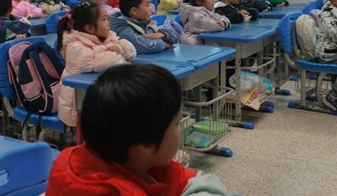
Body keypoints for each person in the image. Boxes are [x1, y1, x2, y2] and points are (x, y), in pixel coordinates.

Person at [46, 64, 231, 196]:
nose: (180, 129)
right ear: (146, 145)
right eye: (176, 123)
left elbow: (176, 178)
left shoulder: (120, 157)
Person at [57, 1, 136, 128]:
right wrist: (121, 60)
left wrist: (120, 49)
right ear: (89, 28)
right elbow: (98, 62)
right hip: (77, 108)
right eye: (104, 19)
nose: (109, 22)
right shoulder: (74, 46)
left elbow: (130, 49)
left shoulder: (105, 37)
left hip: (97, 100)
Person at [110, 0, 177, 54]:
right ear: (134, 11)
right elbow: (146, 46)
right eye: (147, 5)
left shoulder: (144, 23)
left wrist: (163, 35)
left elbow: (173, 37)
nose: (151, 10)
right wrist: (164, 45)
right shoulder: (125, 31)